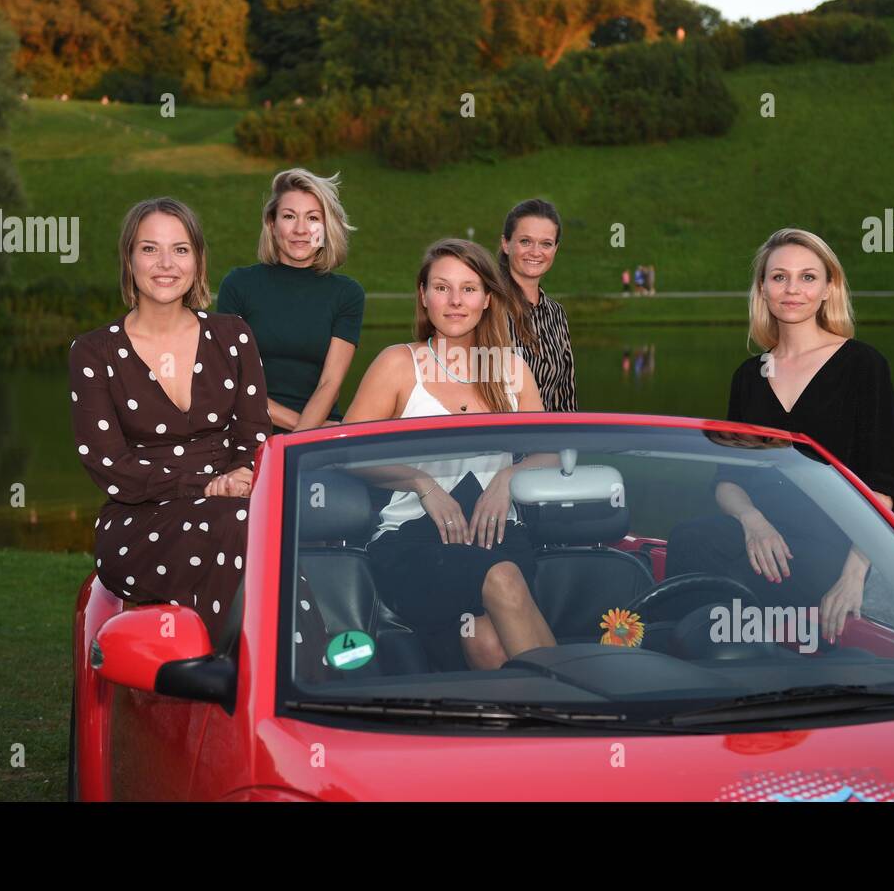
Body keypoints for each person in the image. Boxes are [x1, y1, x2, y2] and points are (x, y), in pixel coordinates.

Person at [667, 227, 894, 644]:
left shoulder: (863, 365)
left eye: (808, 277)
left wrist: (853, 576)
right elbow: (726, 481)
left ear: (829, 288)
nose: (793, 289)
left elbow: (880, 489)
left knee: (753, 595)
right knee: (690, 541)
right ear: (763, 288)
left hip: (830, 543)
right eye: (780, 277)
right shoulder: (749, 377)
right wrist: (752, 520)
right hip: (759, 536)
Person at [344, 238, 557, 670]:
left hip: (495, 532)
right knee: (501, 578)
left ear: (487, 299)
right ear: (423, 296)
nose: (455, 301)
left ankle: (524, 733)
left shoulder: (511, 368)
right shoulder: (398, 363)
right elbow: (349, 452)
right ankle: (582, 713)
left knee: (486, 642)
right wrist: (421, 484)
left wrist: (507, 479)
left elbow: (549, 453)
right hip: (416, 540)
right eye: (442, 288)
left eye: (469, 288)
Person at [69, 197, 274, 640]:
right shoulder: (94, 352)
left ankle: (314, 673)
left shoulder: (232, 335)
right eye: (150, 249)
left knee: (275, 528)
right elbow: (109, 465)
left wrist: (240, 475)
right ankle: (227, 679)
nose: (166, 263)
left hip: (232, 502)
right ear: (129, 260)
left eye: (180, 249)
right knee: (241, 527)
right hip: (141, 520)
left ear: (198, 261)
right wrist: (203, 486)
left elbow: (254, 433)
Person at [217, 168, 364, 434]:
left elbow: (329, 384)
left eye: (312, 218)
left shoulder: (347, 294)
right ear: (272, 225)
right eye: (289, 216)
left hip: (318, 435)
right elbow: (231, 381)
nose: (300, 229)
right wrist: (304, 434)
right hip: (252, 433)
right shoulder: (239, 285)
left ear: (326, 228)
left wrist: (301, 442)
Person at [496, 198, 578, 412]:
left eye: (546, 244)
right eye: (525, 241)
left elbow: (565, 396)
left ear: (555, 249)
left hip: (546, 442)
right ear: (506, 244)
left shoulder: (556, 313)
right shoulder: (486, 307)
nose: (535, 252)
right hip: (495, 439)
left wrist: (566, 444)